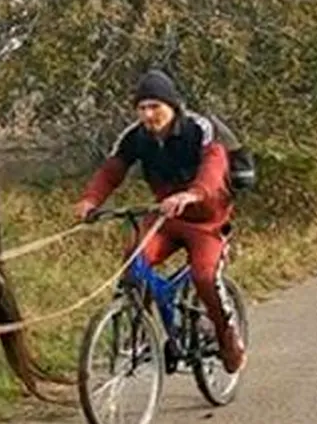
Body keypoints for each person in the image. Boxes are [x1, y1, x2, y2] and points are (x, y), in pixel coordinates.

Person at [73, 69, 246, 373]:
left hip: (206, 221)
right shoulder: (135, 137)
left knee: (204, 278)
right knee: (133, 263)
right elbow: (112, 170)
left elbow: (214, 165)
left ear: (172, 106)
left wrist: (193, 194)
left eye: (155, 107)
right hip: (164, 218)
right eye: (142, 108)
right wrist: (91, 200)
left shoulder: (198, 128)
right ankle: (141, 332)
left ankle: (227, 335)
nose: (148, 114)